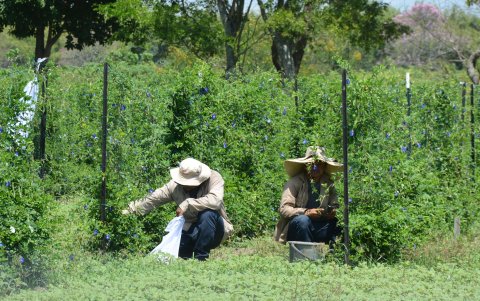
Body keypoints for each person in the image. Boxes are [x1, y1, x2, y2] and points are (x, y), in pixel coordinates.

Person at [122, 158, 234, 260]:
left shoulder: (214, 178)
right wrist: (127, 211)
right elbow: (152, 199)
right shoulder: (175, 186)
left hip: (215, 230)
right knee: (174, 253)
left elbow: (215, 200)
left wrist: (188, 203)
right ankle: (189, 254)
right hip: (190, 230)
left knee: (208, 214)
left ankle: (201, 258)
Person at [274, 146, 342, 245]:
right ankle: (305, 254)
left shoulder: (328, 183)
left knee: (340, 223)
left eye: (319, 164)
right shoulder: (295, 182)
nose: (316, 167)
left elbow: (335, 204)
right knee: (303, 220)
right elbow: (284, 209)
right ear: (306, 165)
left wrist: (332, 212)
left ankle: (334, 254)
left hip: (319, 225)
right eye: (312, 164)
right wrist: (306, 212)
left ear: (324, 166)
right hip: (297, 227)